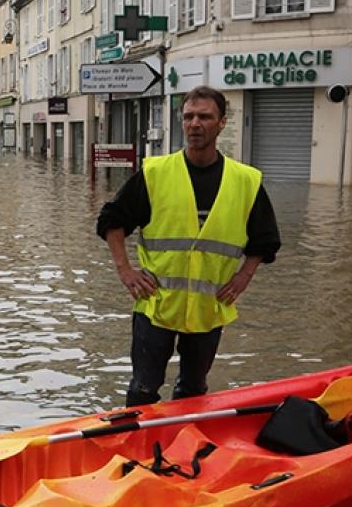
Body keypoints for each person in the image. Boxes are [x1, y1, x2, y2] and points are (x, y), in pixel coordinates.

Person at [96, 85, 280, 407]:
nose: (195, 124)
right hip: (156, 305)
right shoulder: (156, 173)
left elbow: (264, 240)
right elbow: (111, 220)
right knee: (143, 389)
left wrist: (243, 277)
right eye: (189, 117)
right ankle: (136, 449)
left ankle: (185, 448)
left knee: (193, 391)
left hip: (208, 309)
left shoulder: (245, 181)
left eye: (205, 117)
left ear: (222, 122)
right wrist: (125, 270)